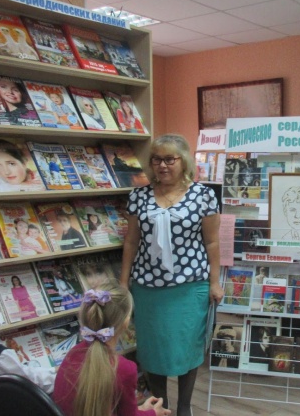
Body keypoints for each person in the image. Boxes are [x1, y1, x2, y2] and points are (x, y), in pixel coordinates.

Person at [120, 134, 222, 416]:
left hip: (189, 288)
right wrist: (123, 282)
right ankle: (160, 406)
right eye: (156, 159)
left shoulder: (203, 195)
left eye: (169, 159)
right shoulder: (138, 196)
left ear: (183, 161)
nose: (162, 165)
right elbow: (131, 241)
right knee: (153, 351)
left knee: (188, 348)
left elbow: (212, 242)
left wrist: (214, 282)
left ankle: (184, 407)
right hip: (147, 289)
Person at [52, 282, 169, 416]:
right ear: (126, 323)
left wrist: (140, 410)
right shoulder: (125, 369)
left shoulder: (73, 352)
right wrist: (153, 413)